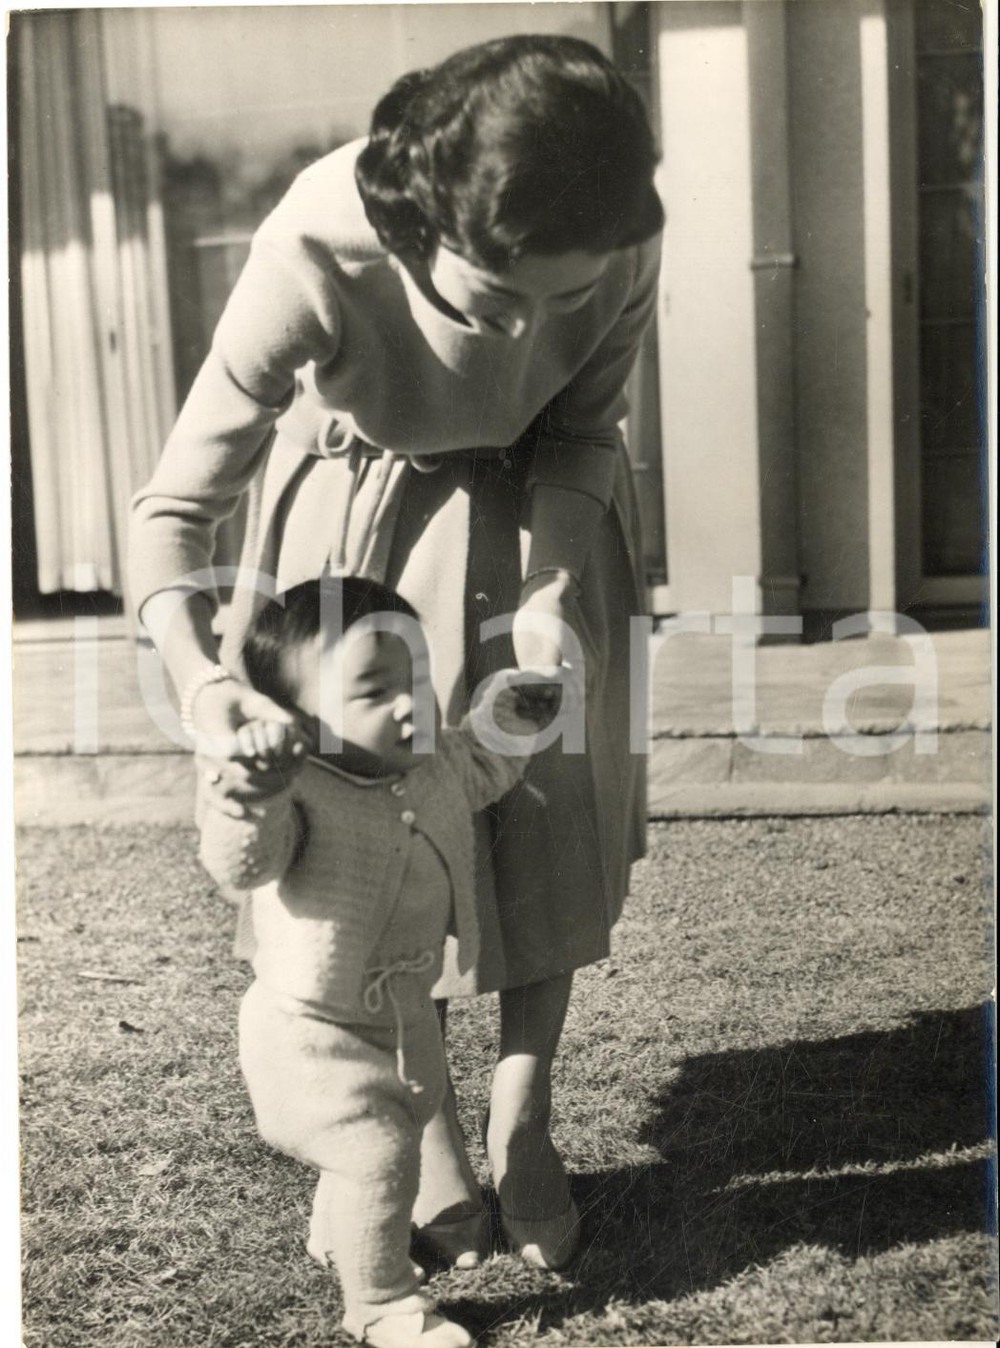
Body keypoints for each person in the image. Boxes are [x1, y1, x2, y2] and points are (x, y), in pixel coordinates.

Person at [129, 33, 664, 1274]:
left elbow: (586, 425)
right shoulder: (316, 245)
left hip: (552, 525)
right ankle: (428, 1148)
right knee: (381, 828)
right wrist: (209, 684)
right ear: (424, 235)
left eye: (565, 296)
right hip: (365, 528)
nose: (533, 327)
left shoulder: (616, 224)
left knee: (551, 817)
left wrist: (543, 594)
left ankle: (524, 1126)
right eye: (499, 301)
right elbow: (172, 511)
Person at [198, 574, 544, 1347]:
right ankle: (384, 1305)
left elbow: (485, 759)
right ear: (294, 719)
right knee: (379, 1153)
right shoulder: (295, 791)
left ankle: (338, 1234)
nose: (409, 702)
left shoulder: (432, 765)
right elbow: (242, 866)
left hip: (399, 1012)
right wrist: (246, 791)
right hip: (309, 1030)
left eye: (419, 679)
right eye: (374, 690)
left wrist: (516, 715)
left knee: (398, 1125)